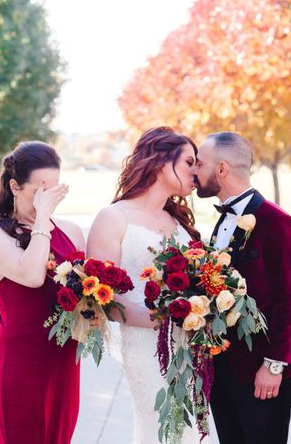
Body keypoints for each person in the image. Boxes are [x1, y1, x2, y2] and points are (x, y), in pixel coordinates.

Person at [86, 126, 204, 444]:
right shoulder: (114, 217)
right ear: (161, 161)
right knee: (162, 425)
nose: (196, 171)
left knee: (191, 428)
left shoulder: (180, 223)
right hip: (144, 344)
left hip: (189, 344)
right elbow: (103, 298)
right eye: (189, 162)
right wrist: (162, 320)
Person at [193, 132, 291, 444]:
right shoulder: (222, 221)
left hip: (262, 369)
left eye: (199, 164)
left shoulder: (278, 223)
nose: (194, 171)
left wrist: (274, 366)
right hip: (223, 368)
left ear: (221, 169)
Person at [0, 141, 85, 444]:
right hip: (19, 368)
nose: (47, 199)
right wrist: (42, 219)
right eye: (40, 191)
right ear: (14, 185)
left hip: (63, 365)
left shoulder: (72, 230)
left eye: (53, 191)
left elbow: (91, 292)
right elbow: (32, 275)